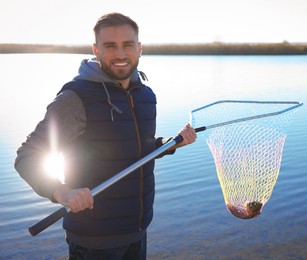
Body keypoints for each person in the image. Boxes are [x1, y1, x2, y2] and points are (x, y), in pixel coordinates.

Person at [14, 12, 197, 259]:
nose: (120, 54)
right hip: (94, 241)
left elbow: (136, 149)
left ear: (139, 48)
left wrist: (170, 143)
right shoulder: (75, 98)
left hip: (138, 231)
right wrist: (61, 191)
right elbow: (28, 155)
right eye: (110, 46)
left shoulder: (145, 95)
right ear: (96, 50)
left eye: (128, 45)